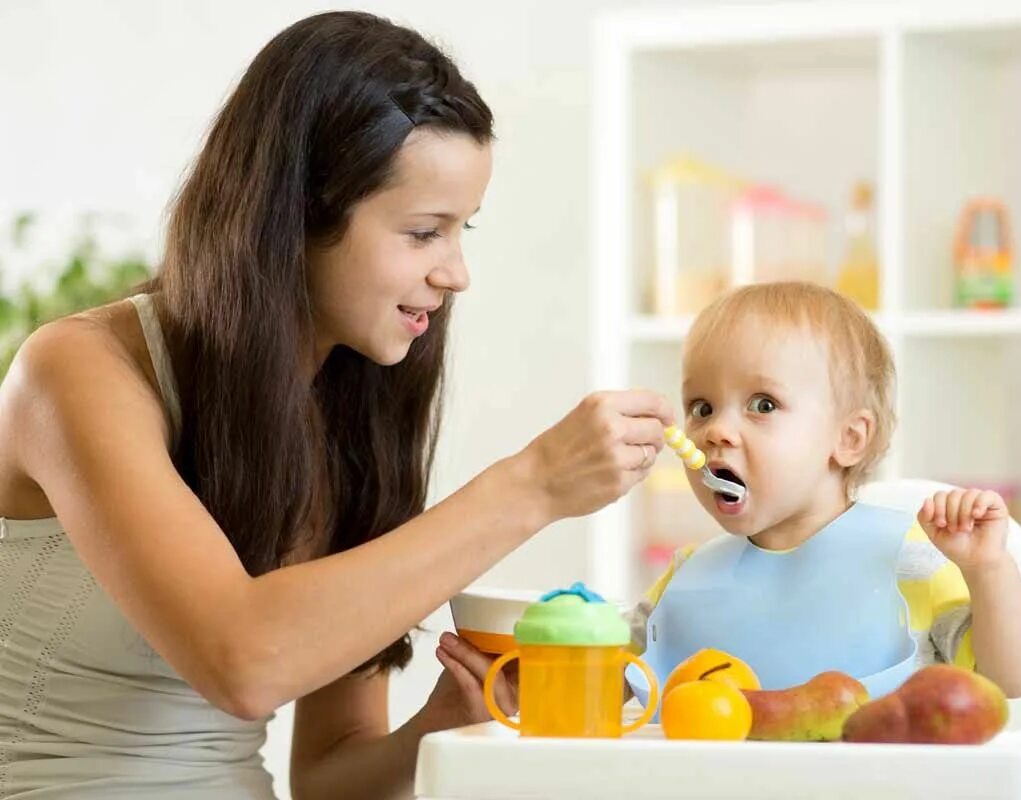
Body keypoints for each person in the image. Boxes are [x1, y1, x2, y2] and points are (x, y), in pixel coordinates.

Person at [0, 11, 672, 799]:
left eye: (463, 230)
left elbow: (331, 776)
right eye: (424, 233)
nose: (456, 272)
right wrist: (531, 487)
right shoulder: (79, 371)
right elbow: (243, 662)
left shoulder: (354, 407)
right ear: (298, 216)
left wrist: (444, 717)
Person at [627, 282, 1021, 704]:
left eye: (763, 405)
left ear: (849, 438)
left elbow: (1008, 679)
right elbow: (597, 676)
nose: (715, 431)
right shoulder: (686, 580)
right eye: (702, 408)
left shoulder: (911, 563)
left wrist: (987, 571)